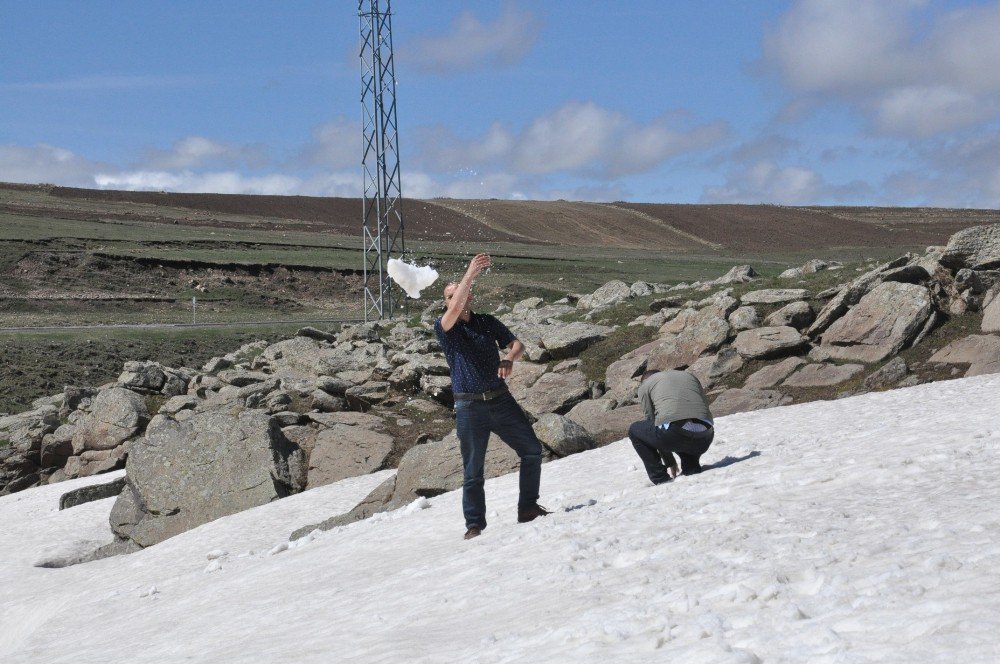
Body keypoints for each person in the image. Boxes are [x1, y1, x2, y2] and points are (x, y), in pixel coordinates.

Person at [434, 253, 549, 540]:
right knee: (473, 470)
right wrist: (469, 274)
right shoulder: (445, 327)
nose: (456, 299)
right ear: (446, 302)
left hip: (500, 399)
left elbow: (517, 344)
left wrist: (510, 357)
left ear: (469, 297)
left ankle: (528, 508)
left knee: (532, 450)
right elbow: (454, 310)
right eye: (450, 296)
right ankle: (474, 525)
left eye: (459, 294)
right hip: (469, 405)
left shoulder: (486, 322)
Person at [629, 367, 715, 485]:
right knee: (682, 424)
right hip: (705, 436)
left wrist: (669, 461)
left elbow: (653, 422)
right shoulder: (689, 376)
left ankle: (660, 478)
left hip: (676, 434)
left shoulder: (646, 385)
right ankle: (691, 467)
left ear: (644, 380)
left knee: (635, 430)